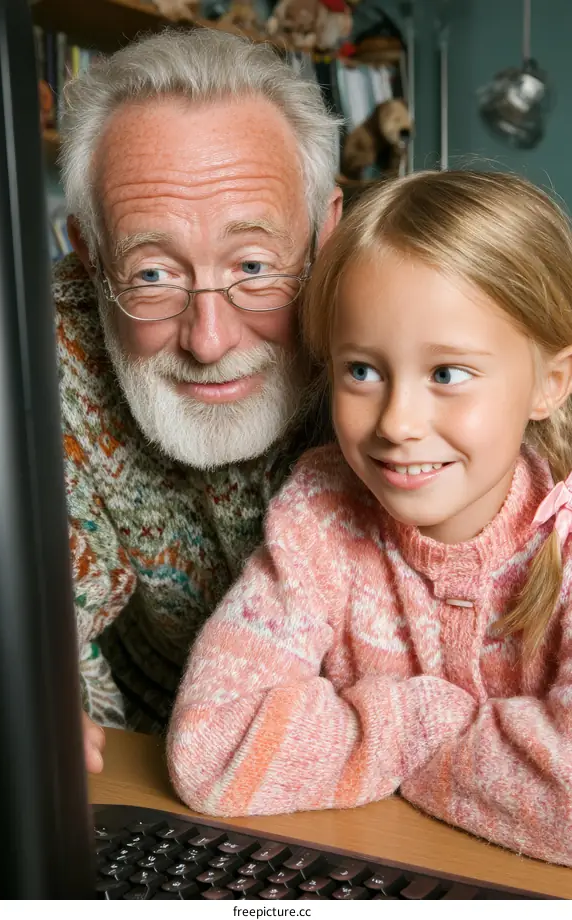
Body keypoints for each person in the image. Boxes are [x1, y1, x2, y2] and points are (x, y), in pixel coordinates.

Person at [169, 170, 572, 867]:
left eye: (446, 374)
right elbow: (209, 748)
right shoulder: (322, 514)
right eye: (362, 371)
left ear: (550, 384)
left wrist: (366, 747)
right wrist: (420, 723)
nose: (397, 423)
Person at [54, 27, 343, 772]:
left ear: (326, 230)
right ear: (89, 252)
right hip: (161, 756)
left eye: (253, 265)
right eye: (153, 275)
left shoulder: (413, 332)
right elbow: (29, 627)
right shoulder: (38, 354)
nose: (209, 341)